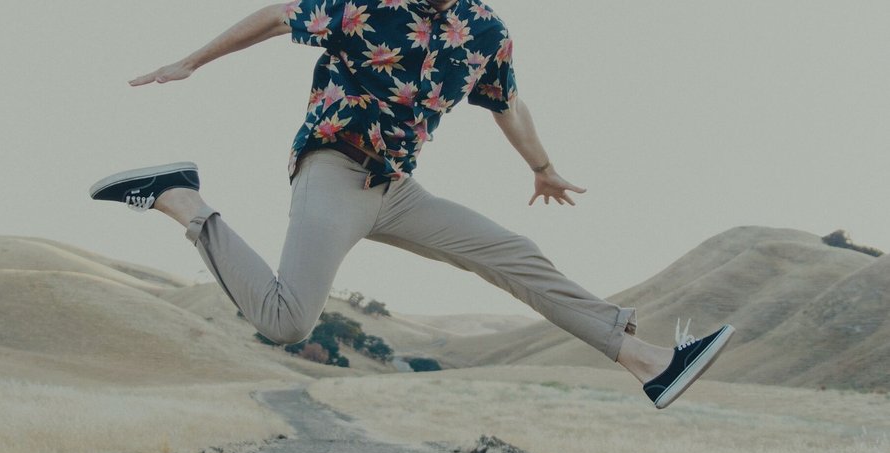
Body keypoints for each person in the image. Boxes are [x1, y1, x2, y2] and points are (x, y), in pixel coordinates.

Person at [90, 0, 734, 409]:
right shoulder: (368, 8)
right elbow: (276, 15)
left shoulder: (485, 31)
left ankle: (648, 362)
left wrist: (542, 168)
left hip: (396, 191)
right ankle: (181, 199)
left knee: (512, 253)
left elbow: (508, 104)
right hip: (333, 172)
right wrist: (191, 62)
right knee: (287, 322)